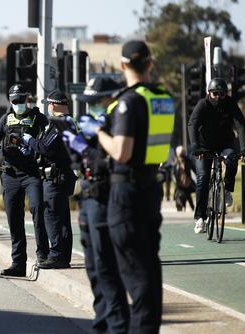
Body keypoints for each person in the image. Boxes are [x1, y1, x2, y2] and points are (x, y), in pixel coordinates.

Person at [83, 40, 174, 333]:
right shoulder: (161, 98)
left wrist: (97, 131)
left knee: (130, 276)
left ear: (122, 66)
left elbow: (122, 152)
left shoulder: (128, 101)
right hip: (151, 188)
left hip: (126, 194)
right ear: (150, 63)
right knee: (149, 272)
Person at [64, 76, 130, 333]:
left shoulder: (118, 120)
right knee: (93, 267)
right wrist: (74, 146)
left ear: (109, 98)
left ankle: (117, 326)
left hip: (106, 197)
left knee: (106, 268)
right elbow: (86, 161)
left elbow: (113, 160)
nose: (91, 107)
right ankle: (102, 322)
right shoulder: (100, 123)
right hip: (90, 197)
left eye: (94, 102)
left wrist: (87, 146)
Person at [0, 84, 48, 277]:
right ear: (10, 101)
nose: (17, 104)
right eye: (14, 101)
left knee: (38, 209)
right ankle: (18, 263)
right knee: (14, 218)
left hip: (32, 173)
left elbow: (48, 142)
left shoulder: (38, 118)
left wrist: (32, 145)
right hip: (11, 174)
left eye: (20, 100)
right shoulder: (6, 118)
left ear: (27, 99)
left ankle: (43, 255)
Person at [20, 90, 76, 269]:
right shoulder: (66, 122)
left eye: (50, 104)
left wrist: (28, 141)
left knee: (52, 217)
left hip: (56, 178)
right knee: (61, 217)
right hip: (58, 176)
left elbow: (47, 148)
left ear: (53, 104)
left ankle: (57, 255)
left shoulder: (61, 123)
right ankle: (63, 255)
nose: (49, 108)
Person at [188, 77, 245, 234]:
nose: (218, 97)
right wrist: (196, 147)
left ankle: (227, 190)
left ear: (225, 94)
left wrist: (244, 149)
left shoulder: (230, 104)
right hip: (204, 147)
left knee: (232, 160)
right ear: (209, 93)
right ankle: (200, 218)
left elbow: (241, 125)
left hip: (225, 144)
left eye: (222, 94)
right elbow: (192, 124)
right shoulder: (203, 104)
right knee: (202, 178)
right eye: (215, 93)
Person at [173, 145, 195, 212]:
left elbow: (193, 168)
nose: (182, 156)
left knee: (188, 196)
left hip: (187, 183)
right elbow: (173, 173)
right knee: (180, 195)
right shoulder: (176, 162)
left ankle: (192, 208)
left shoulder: (187, 161)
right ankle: (180, 206)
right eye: (180, 154)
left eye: (183, 153)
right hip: (179, 185)